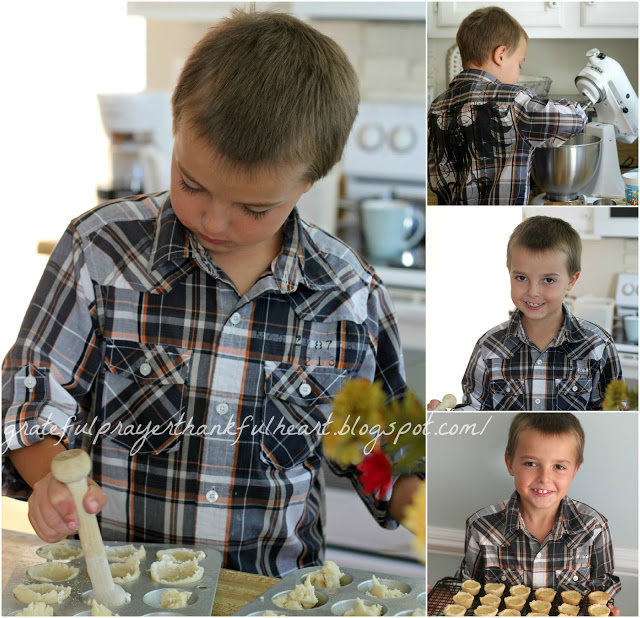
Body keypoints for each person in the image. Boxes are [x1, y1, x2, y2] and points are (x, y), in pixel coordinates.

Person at [2, 9, 423, 577]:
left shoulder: (348, 296)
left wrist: (416, 503)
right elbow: (31, 397)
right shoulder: (100, 252)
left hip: (269, 592)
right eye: (191, 184)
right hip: (116, 585)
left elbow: (378, 449)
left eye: (254, 208)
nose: (215, 221)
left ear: (310, 181)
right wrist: (49, 477)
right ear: (174, 133)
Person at [430, 215, 622, 410]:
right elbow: (476, 414)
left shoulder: (599, 346)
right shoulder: (488, 347)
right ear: (509, 272)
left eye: (548, 280)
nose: (532, 292)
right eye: (521, 277)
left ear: (571, 280)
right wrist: (446, 415)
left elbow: (614, 421)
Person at [456, 413, 621, 614]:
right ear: (510, 464)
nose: (544, 478)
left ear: (575, 470)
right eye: (531, 464)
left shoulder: (594, 528)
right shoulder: (480, 527)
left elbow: (602, 591)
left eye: (559, 466)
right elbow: (468, 592)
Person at [428, 6, 588, 205]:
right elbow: (572, 119)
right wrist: (578, 107)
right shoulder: (514, 101)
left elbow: (435, 178)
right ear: (501, 55)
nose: (518, 72)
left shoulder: (436, 107)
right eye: (519, 63)